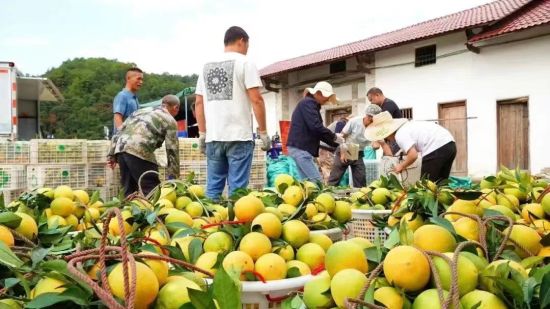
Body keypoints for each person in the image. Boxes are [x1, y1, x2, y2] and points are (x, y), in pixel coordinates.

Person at [195, 26, 270, 200]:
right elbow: (256, 99)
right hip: (239, 137)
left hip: (214, 137)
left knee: (213, 188)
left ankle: (209, 225)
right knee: (237, 192)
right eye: (247, 45)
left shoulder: (206, 67)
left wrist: (202, 133)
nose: (247, 50)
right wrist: (264, 132)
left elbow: (198, 102)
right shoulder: (245, 63)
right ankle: (234, 224)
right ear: (241, 41)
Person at [108, 94, 181, 197]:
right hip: (139, 151)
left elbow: (120, 130)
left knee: (128, 192)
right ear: (176, 107)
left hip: (121, 149)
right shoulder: (169, 120)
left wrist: (111, 155)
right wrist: (174, 179)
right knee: (152, 191)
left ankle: (128, 212)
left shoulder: (140, 111)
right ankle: (155, 212)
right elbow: (172, 151)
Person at [364, 111, 457, 182]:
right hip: (450, 144)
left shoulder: (400, 135)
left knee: (426, 186)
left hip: (436, 147)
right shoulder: (407, 127)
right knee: (440, 184)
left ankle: (424, 208)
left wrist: (401, 166)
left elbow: (413, 155)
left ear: (388, 133)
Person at [286, 81, 344, 183]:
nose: (327, 100)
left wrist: (335, 142)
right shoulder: (308, 103)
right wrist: (335, 138)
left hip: (298, 147)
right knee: (316, 182)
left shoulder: (310, 105)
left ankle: (307, 198)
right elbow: (316, 127)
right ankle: (318, 198)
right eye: (326, 97)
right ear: (318, 94)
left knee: (306, 182)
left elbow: (317, 131)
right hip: (301, 148)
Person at [328, 104, 382, 187]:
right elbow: (342, 136)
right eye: (370, 117)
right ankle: (327, 194)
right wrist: (343, 152)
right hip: (346, 148)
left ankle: (360, 197)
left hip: (359, 152)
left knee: (361, 179)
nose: (371, 120)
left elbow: (375, 146)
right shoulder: (355, 121)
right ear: (367, 115)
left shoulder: (375, 127)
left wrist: (377, 142)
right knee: (335, 178)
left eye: (374, 118)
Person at [113, 67, 143, 133]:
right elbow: (117, 117)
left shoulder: (135, 99)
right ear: (128, 78)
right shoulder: (122, 96)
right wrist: (123, 136)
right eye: (138, 79)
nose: (141, 82)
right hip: (124, 141)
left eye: (142, 79)